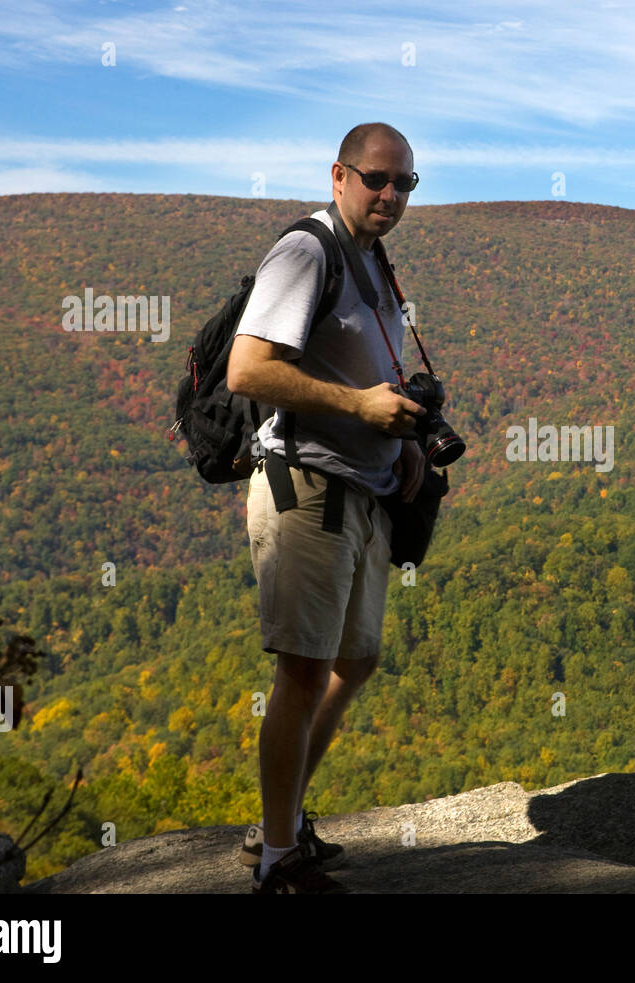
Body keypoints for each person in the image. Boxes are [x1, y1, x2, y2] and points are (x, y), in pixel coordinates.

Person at [227, 122, 427, 893]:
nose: (390, 195)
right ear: (338, 174)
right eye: (377, 178)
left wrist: (401, 435)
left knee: (357, 658)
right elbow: (248, 369)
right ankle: (279, 857)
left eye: (405, 183)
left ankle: (283, 817)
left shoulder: (370, 259)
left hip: (362, 489)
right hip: (305, 485)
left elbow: (369, 366)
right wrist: (356, 406)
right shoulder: (307, 251)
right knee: (305, 672)